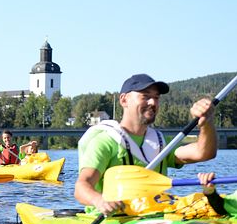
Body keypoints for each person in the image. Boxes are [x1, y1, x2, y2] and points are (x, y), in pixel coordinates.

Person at [75, 73, 216, 215]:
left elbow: (203, 153)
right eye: (145, 96)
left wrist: (206, 123)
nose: (153, 103)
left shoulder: (160, 142)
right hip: (112, 218)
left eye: (156, 98)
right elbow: (82, 187)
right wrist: (99, 201)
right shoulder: (105, 141)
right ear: (124, 100)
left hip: (156, 214)